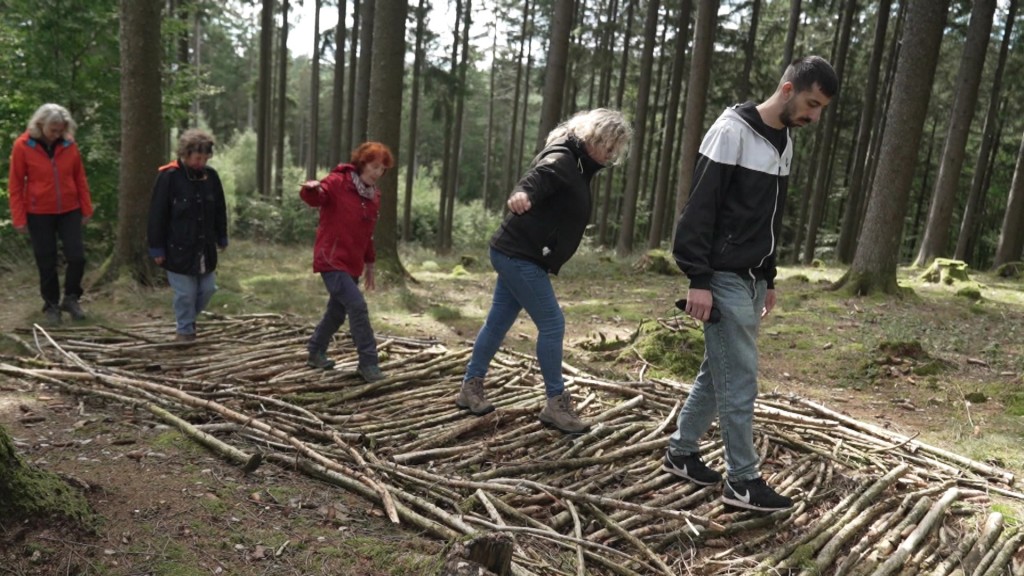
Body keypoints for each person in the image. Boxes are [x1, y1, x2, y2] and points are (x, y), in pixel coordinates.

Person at [663, 56, 838, 512]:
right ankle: (742, 480)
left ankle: (681, 452)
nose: (814, 116)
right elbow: (698, 211)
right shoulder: (731, 131)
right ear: (787, 89)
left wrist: (769, 275)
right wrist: (698, 279)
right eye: (811, 103)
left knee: (717, 368)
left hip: (752, 278)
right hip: (719, 276)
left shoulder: (784, 143)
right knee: (740, 378)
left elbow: (769, 220)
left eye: (820, 109)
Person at [456, 108, 633, 434]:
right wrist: (522, 194)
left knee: (497, 322)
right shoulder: (564, 158)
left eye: (614, 151)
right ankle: (555, 402)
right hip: (518, 255)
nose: (610, 157)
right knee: (553, 323)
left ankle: (470, 388)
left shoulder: (581, 164)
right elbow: (539, 177)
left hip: (521, 252)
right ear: (593, 138)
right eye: (608, 148)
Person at [300, 142, 394, 383]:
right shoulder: (338, 182)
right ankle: (368, 363)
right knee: (358, 306)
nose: (377, 173)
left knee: (337, 311)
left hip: (352, 263)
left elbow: (367, 233)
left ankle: (315, 351)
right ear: (362, 163)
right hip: (330, 260)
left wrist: (370, 264)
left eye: (382, 169)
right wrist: (311, 190)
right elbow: (316, 197)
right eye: (374, 167)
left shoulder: (374, 197)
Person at [8, 103, 94, 324]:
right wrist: (18, 217)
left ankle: (72, 297)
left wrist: (86, 208)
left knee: (77, 257)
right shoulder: (23, 145)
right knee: (46, 260)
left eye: (61, 130)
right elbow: (16, 184)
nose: (57, 134)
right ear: (40, 125)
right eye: (52, 130)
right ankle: (51, 304)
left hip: (70, 208)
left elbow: (80, 178)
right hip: (38, 211)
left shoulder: (69, 144)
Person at [147, 129, 228, 342]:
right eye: (197, 158)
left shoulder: (212, 177)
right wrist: (156, 247)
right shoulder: (169, 177)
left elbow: (220, 208)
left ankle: (187, 320)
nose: (201, 162)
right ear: (185, 153)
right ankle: (185, 331)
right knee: (186, 294)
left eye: (205, 158)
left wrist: (222, 236)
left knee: (209, 288)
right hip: (177, 248)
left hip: (204, 248)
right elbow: (157, 214)